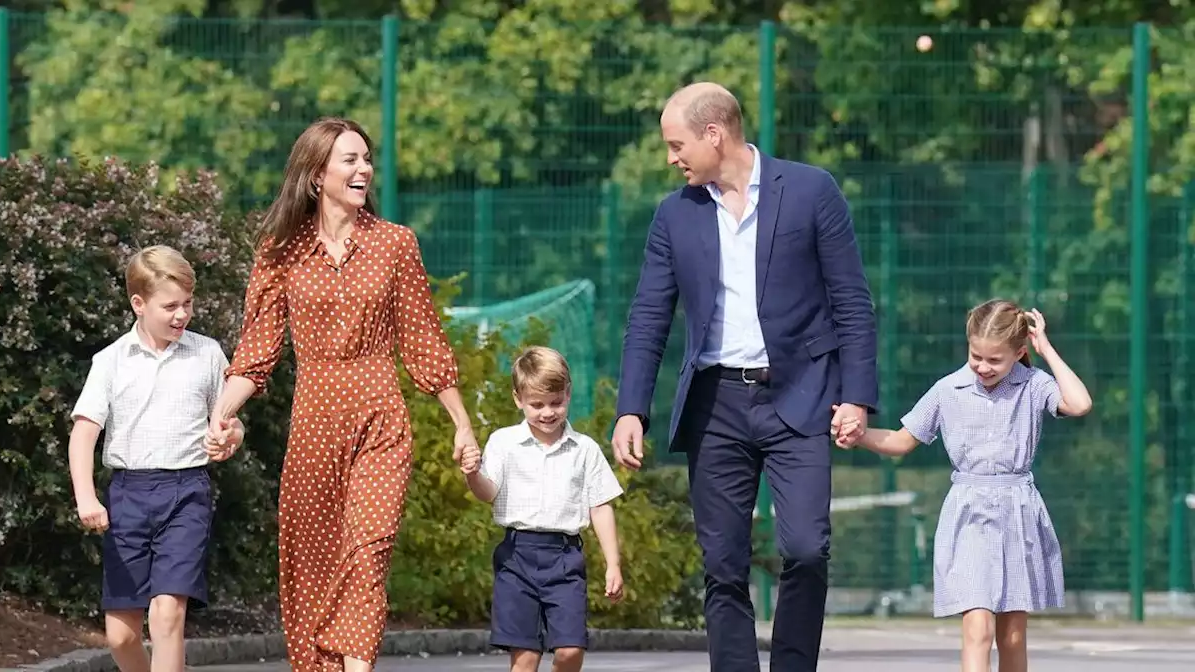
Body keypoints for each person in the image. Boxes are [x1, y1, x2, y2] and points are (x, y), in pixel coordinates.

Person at [610, 81, 879, 671]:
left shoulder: (811, 191)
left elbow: (852, 302)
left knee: (808, 549)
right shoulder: (674, 215)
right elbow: (649, 314)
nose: (671, 158)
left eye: (676, 144)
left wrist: (856, 396)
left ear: (715, 134)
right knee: (723, 564)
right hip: (715, 405)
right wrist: (632, 408)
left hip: (801, 397)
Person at [206, 117, 480, 672]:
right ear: (315, 174)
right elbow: (257, 350)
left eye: (366, 159)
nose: (364, 170)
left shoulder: (395, 243)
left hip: (380, 415)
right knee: (312, 561)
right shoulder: (280, 252)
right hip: (313, 423)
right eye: (350, 160)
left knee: (369, 549)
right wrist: (221, 414)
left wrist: (461, 421)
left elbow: (423, 337)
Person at [832, 300, 1091, 672]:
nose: (983, 367)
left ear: (1019, 353)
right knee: (977, 629)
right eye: (976, 357)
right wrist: (859, 436)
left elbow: (1079, 404)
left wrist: (1045, 350)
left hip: (1018, 513)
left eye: (995, 361)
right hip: (968, 515)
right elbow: (901, 441)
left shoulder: (1034, 385)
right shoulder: (947, 389)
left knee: (1013, 636)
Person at [67, 244, 246, 672]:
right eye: (170, 306)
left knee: (167, 613)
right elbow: (83, 435)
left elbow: (231, 421)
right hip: (128, 496)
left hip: (187, 493)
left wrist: (231, 437)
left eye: (187, 303)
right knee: (121, 634)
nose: (182, 315)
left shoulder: (206, 354)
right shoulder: (110, 361)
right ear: (139, 303)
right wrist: (87, 498)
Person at [457, 345, 625, 672]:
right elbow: (488, 492)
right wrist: (472, 474)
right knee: (525, 658)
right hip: (516, 557)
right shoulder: (504, 443)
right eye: (536, 405)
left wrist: (613, 564)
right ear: (518, 399)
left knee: (570, 651)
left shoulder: (585, 449)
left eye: (556, 402)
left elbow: (601, 506)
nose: (547, 412)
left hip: (564, 560)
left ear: (568, 394)